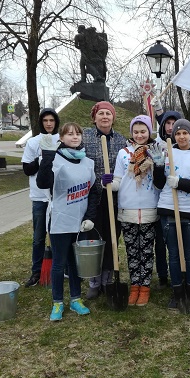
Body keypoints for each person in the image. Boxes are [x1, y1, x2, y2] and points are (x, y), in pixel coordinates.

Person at [36, 123, 98, 321]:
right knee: (59, 263)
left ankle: (75, 299)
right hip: (61, 220)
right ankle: (57, 303)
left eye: (78, 133)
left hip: (80, 222)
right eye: (70, 134)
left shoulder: (88, 162)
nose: (75, 137)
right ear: (61, 138)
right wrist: (46, 157)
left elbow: (94, 191)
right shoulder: (55, 160)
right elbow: (43, 182)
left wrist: (90, 217)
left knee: (75, 263)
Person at [151, 119, 190, 311]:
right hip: (168, 209)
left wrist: (181, 182)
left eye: (185, 133)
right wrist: (159, 167)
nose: (181, 136)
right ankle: (177, 291)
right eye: (178, 133)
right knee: (174, 255)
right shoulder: (167, 152)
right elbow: (159, 184)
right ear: (173, 136)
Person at [106, 115, 160, 306]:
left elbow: (160, 180)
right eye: (136, 132)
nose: (139, 135)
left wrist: (158, 163)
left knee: (146, 251)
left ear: (149, 132)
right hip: (127, 209)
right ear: (131, 133)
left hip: (148, 208)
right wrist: (108, 183)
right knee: (132, 251)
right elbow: (119, 181)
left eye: (143, 131)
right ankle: (134, 285)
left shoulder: (155, 151)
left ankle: (145, 287)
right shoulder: (123, 153)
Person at [82, 101, 127, 300]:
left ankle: (108, 277)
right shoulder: (85, 137)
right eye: (101, 113)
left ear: (113, 117)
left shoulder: (121, 140)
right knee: (94, 239)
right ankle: (94, 280)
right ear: (95, 117)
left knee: (111, 239)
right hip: (92, 198)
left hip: (114, 198)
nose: (105, 117)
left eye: (108, 113)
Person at [21, 107, 60, 287]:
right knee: (38, 237)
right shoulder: (33, 142)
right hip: (39, 197)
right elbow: (27, 169)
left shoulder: (61, 140)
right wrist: (41, 158)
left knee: (59, 234)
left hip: (58, 196)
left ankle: (61, 268)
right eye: (45, 121)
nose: (49, 124)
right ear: (41, 123)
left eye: (52, 121)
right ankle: (36, 272)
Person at [152, 109, 182, 287]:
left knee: (176, 241)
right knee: (160, 241)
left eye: (174, 123)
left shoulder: (185, 144)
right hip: (157, 199)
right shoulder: (155, 145)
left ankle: (179, 272)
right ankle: (163, 274)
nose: (171, 127)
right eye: (168, 124)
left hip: (178, 200)